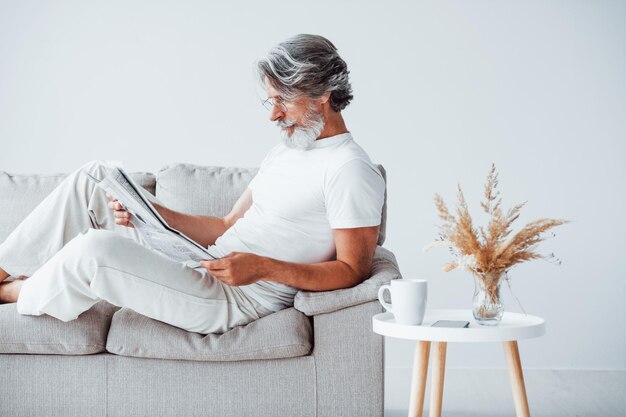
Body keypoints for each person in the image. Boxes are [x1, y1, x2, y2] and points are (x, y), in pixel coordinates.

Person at [0, 34, 385, 334]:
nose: (273, 115)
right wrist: (147, 214)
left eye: (283, 99)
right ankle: (3, 270)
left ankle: (15, 292)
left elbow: (353, 270)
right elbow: (226, 226)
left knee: (95, 250)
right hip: (202, 263)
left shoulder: (349, 168)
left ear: (323, 95)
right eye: (269, 101)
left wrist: (263, 268)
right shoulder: (284, 152)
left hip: (234, 299)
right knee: (93, 180)